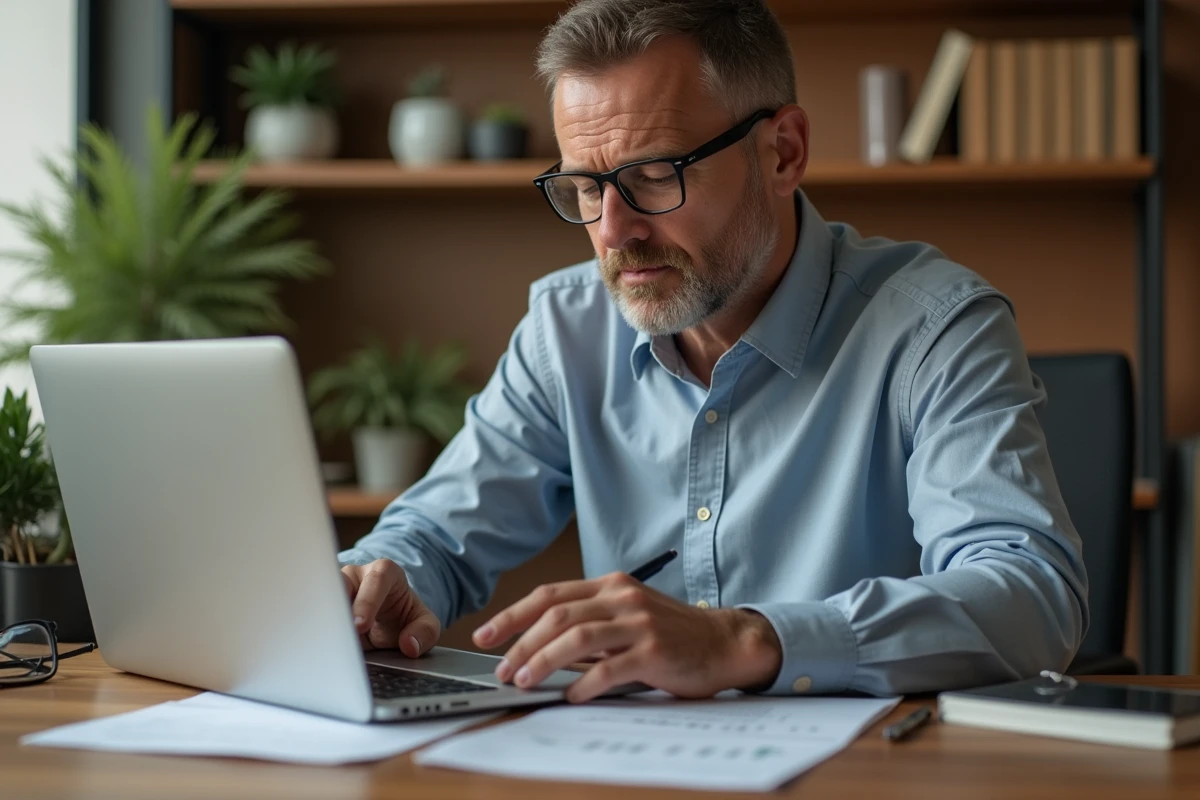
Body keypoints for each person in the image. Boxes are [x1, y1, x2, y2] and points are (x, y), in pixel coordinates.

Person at [339, 0, 1087, 703]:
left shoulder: (936, 328)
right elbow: (435, 535)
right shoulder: (565, 329)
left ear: (783, 153)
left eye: (653, 176)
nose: (613, 230)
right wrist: (381, 582)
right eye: (585, 188)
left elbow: (1032, 594)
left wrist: (747, 640)